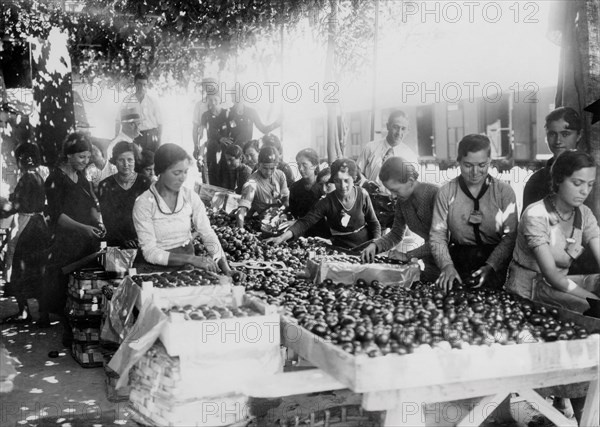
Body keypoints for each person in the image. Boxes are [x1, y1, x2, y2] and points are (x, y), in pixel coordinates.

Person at [506, 150, 599, 312]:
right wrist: (594, 300)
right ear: (558, 180)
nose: (585, 191)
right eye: (577, 183)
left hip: (557, 289)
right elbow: (551, 275)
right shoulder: (536, 215)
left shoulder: (584, 214)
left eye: (590, 184)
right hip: (527, 294)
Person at [132, 144, 241, 277]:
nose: (182, 178)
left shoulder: (189, 197)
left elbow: (207, 233)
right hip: (151, 271)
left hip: (185, 269)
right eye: (177, 173)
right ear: (161, 171)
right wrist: (191, 259)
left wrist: (225, 268)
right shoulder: (144, 203)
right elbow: (150, 252)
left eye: (185, 172)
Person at [430, 134, 518, 291]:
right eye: (468, 165)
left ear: (490, 161)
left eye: (482, 165)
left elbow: (510, 237)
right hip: (458, 262)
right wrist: (446, 266)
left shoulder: (504, 192)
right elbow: (437, 236)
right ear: (458, 162)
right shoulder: (446, 192)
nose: (475, 172)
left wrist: (491, 266)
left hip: (495, 261)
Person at [44, 132, 105, 336]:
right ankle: (69, 332)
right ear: (68, 155)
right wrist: (84, 228)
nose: (85, 161)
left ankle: (84, 329)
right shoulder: (55, 179)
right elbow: (57, 216)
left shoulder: (81, 177)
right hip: (65, 242)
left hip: (85, 241)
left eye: (88, 157)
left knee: (84, 288)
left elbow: (91, 205)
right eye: (81, 157)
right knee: (65, 288)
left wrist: (97, 222)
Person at [268, 158, 381, 249]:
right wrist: (281, 237)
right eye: (337, 181)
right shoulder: (327, 202)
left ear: (354, 178)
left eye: (346, 180)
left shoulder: (362, 194)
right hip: (340, 250)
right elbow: (305, 222)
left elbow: (374, 223)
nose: (342, 186)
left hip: (366, 247)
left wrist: (376, 245)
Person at [360, 157, 440, 281]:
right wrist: (375, 246)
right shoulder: (402, 202)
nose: (392, 196)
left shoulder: (436, 196)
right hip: (432, 265)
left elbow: (441, 239)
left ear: (411, 180)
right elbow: (396, 234)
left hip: (456, 263)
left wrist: (407, 256)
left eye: (394, 190)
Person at [0, 143, 50, 325]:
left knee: (21, 271)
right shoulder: (37, 176)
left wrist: (4, 205)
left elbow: (17, 206)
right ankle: (41, 316)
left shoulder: (27, 178)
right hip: (38, 225)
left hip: (28, 226)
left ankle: (24, 313)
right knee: (38, 271)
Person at [356, 110, 419, 228]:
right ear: (387, 126)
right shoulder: (371, 147)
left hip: (393, 210)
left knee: (390, 242)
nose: (399, 132)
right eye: (395, 127)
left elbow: (412, 188)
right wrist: (365, 182)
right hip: (368, 204)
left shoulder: (410, 157)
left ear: (408, 131)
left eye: (403, 128)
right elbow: (357, 171)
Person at [522, 107, 582, 211]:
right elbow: (527, 222)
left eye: (565, 134)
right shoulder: (537, 180)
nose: (558, 141)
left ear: (579, 135)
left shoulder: (592, 176)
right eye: (552, 134)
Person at [98, 141, 151, 248]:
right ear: (115, 161)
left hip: (140, 241)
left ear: (135, 160)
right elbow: (107, 219)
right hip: (115, 242)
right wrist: (123, 240)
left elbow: (149, 215)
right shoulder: (105, 185)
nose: (126, 164)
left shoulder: (144, 182)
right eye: (121, 160)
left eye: (130, 160)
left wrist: (140, 238)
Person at [236, 146, 289, 229]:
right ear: (259, 164)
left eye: (272, 168)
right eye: (264, 168)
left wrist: (283, 213)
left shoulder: (280, 175)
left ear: (277, 165)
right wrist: (240, 229)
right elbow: (242, 210)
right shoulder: (252, 183)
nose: (268, 172)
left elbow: (286, 201)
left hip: (281, 217)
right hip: (264, 222)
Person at [288, 148, 329, 238]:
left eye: (304, 165)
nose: (301, 169)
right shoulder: (295, 188)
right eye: (298, 165)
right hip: (302, 233)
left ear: (314, 165)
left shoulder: (324, 187)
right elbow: (293, 212)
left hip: (323, 234)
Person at [117, 73, 162, 152]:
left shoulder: (153, 101)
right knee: (137, 161)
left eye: (144, 84)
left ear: (147, 85)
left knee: (152, 161)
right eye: (139, 84)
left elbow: (160, 123)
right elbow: (118, 121)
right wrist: (117, 138)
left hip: (151, 136)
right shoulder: (127, 101)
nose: (142, 87)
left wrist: (159, 141)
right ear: (135, 84)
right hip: (134, 137)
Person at [195, 92, 229, 185]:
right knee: (212, 177)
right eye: (210, 100)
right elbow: (202, 136)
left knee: (226, 177)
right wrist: (200, 156)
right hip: (211, 149)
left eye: (215, 99)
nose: (213, 102)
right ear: (207, 101)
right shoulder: (205, 115)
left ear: (220, 100)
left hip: (226, 151)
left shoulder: (227, 113)